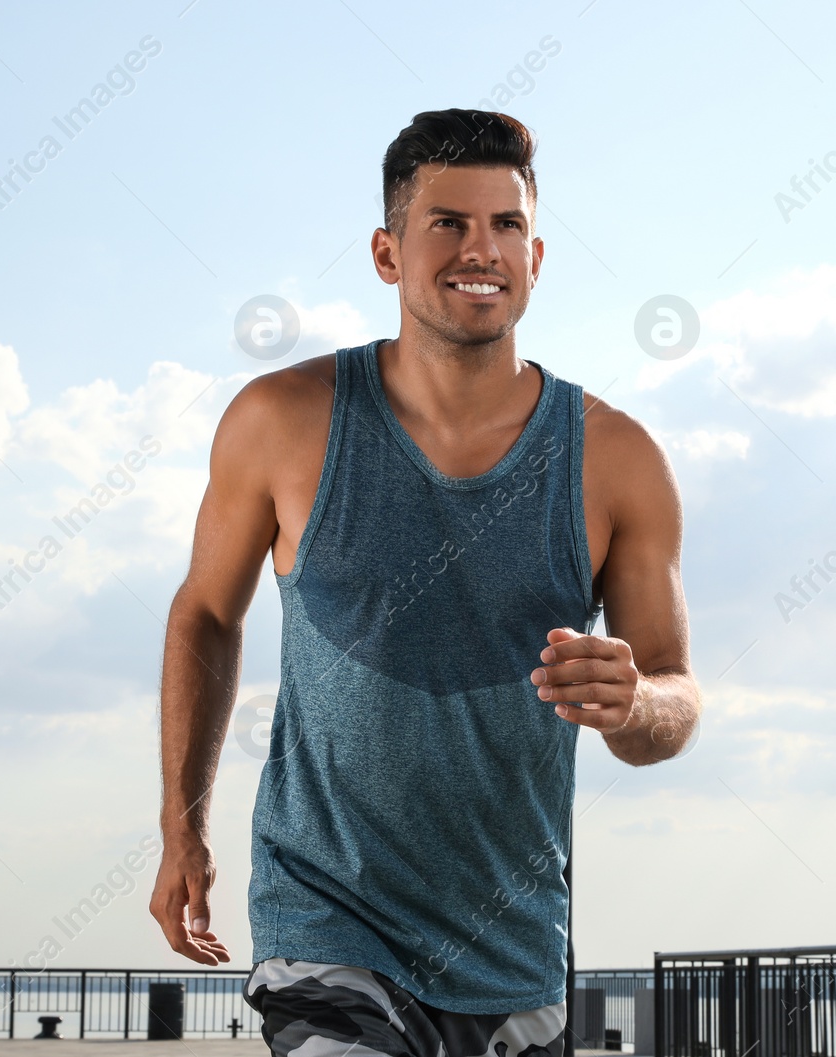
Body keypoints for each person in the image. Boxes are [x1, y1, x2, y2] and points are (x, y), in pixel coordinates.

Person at [149, 108, 702, 1057]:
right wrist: (181, 824)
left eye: (507, 225)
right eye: (447, 221)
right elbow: (206, 611)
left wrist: (635, 701)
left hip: (514, 947)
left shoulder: (616, 460)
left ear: (537, 257)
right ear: (386, 251)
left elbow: (674, 696)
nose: (479, 249)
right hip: (325, 919)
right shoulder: (282, 419)